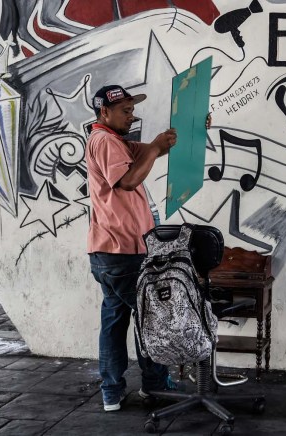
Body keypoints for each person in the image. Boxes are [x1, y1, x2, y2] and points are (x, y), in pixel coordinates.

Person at [86, 85, 179, 412]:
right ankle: (154, 386)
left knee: (115, 319)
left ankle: (112, 391)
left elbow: (155, 150)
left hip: (109, 251)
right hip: (123, 251)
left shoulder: (115, 142)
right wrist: (153, 149)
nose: (131, 114)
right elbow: (127, 181)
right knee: (150, 316)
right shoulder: (106, 142)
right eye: (125, 111)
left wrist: (180, 133)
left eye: (131, 109)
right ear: (104, 112)